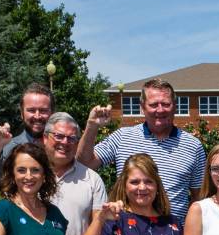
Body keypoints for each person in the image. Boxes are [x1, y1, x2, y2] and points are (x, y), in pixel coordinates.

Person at [77, 79, 206, 225]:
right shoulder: (122, 137)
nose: (160, 109)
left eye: (165, 104)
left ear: (174, 106)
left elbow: (199, 198)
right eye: (153, 104)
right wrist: (92, 126)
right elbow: (84, 163)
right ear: (142, 107)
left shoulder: (193, 146)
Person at [0, 83, 55, 175]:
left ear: (53, 113)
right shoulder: (8, 148)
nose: (37, 116)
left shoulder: (63, 146)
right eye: (31, 110)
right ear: (22, 114)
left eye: (43, 111)